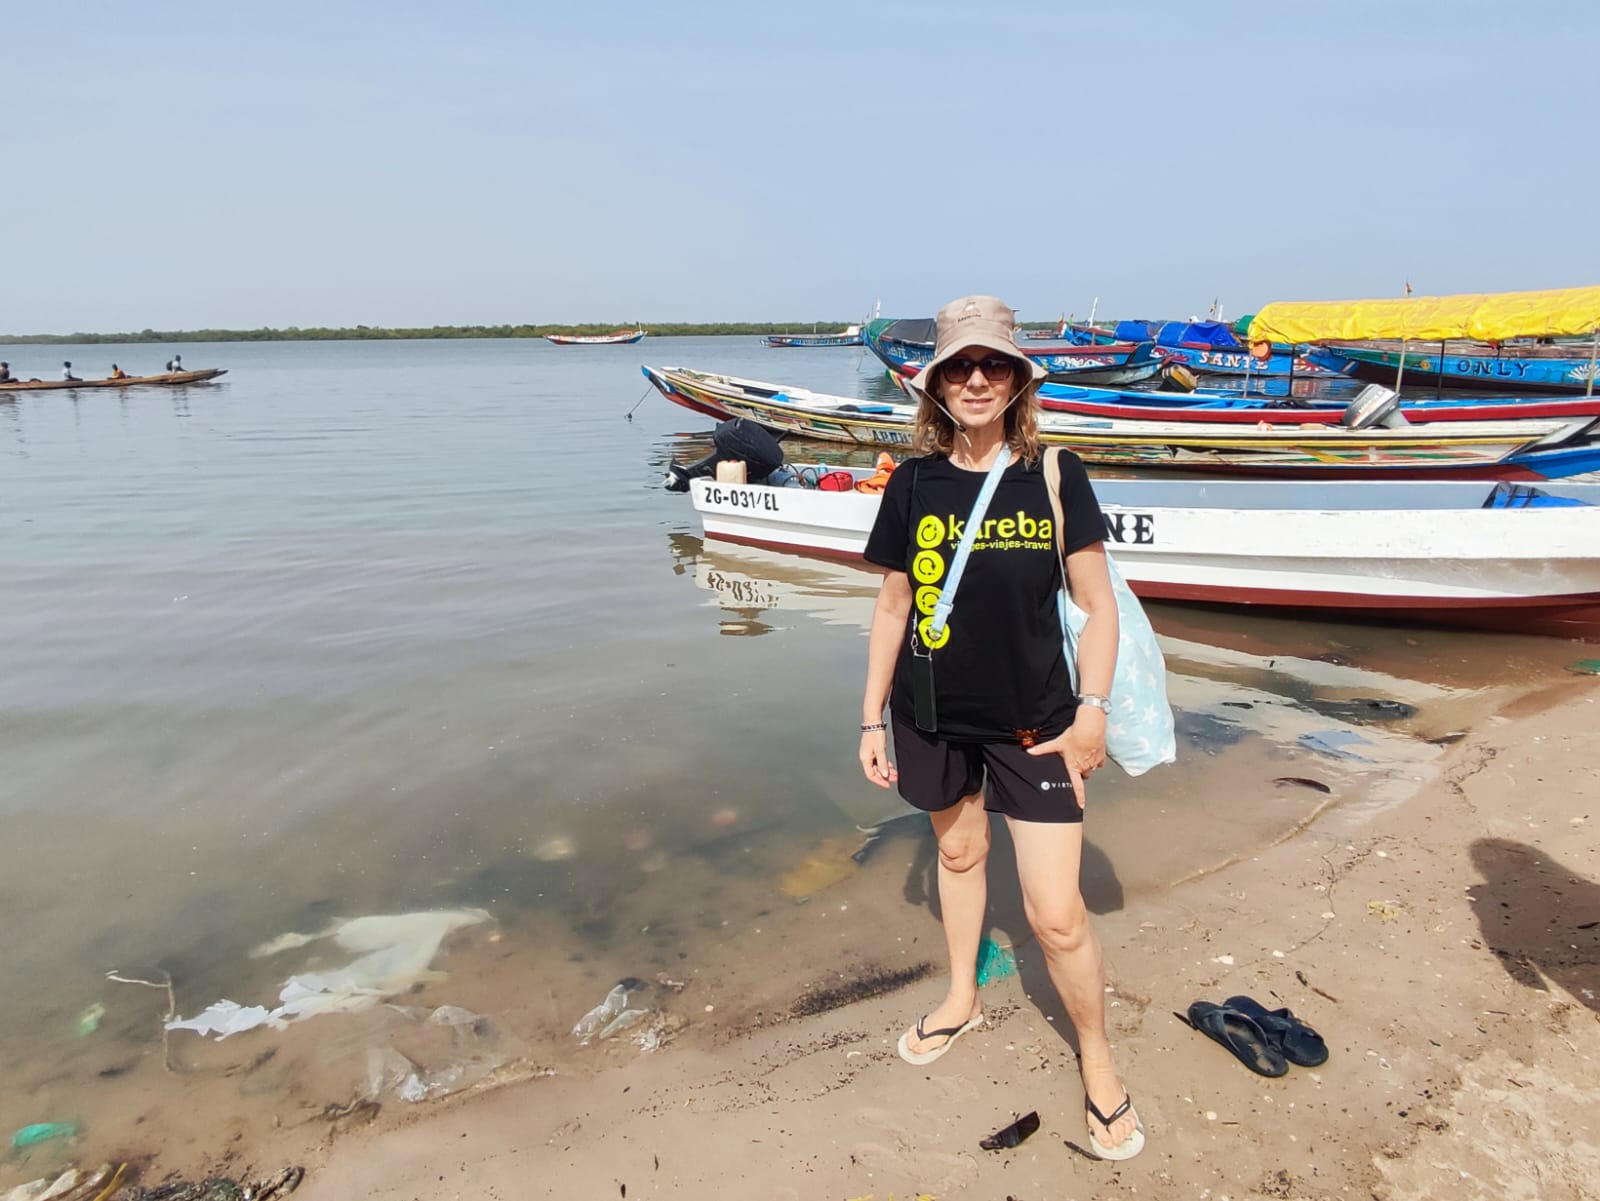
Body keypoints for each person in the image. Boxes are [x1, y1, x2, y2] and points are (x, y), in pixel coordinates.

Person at [857, 295, 1144, 1161]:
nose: (976, 379)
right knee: (957, 855)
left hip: (1039, 727)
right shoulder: (911, 483)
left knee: (1056, 915)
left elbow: (1097, 610)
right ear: (936, 384)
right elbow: (891, 607)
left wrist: (1092, 712)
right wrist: (871, 716)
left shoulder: (1055, 472)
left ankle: (1097, 1058)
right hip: (933, 718)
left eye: (992, 365)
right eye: (959, 366)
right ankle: (962, 997)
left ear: (1017, 377)